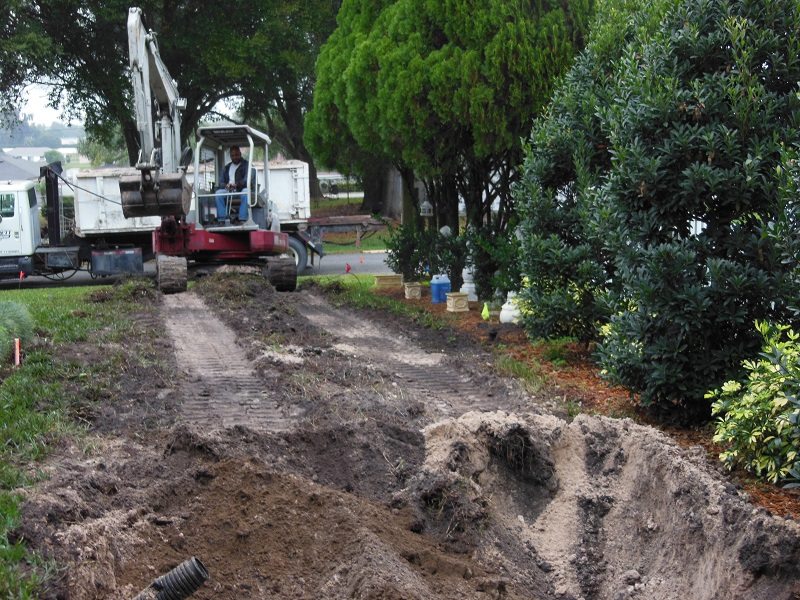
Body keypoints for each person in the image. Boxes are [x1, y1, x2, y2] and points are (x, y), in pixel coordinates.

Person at [214, 145, 249, 223]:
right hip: (229, 191)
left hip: (240, 190)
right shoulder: (227, 167)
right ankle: (222, 219)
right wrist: (226, 185)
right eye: (232, 155)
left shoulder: (246, 165)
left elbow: (247, 180)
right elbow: (221, 182)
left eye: (236, 155)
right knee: (218, 193)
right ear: (230, 156)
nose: (235, 157)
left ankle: (242, 218)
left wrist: (236, 185)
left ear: (240, 154)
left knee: (246, 192)